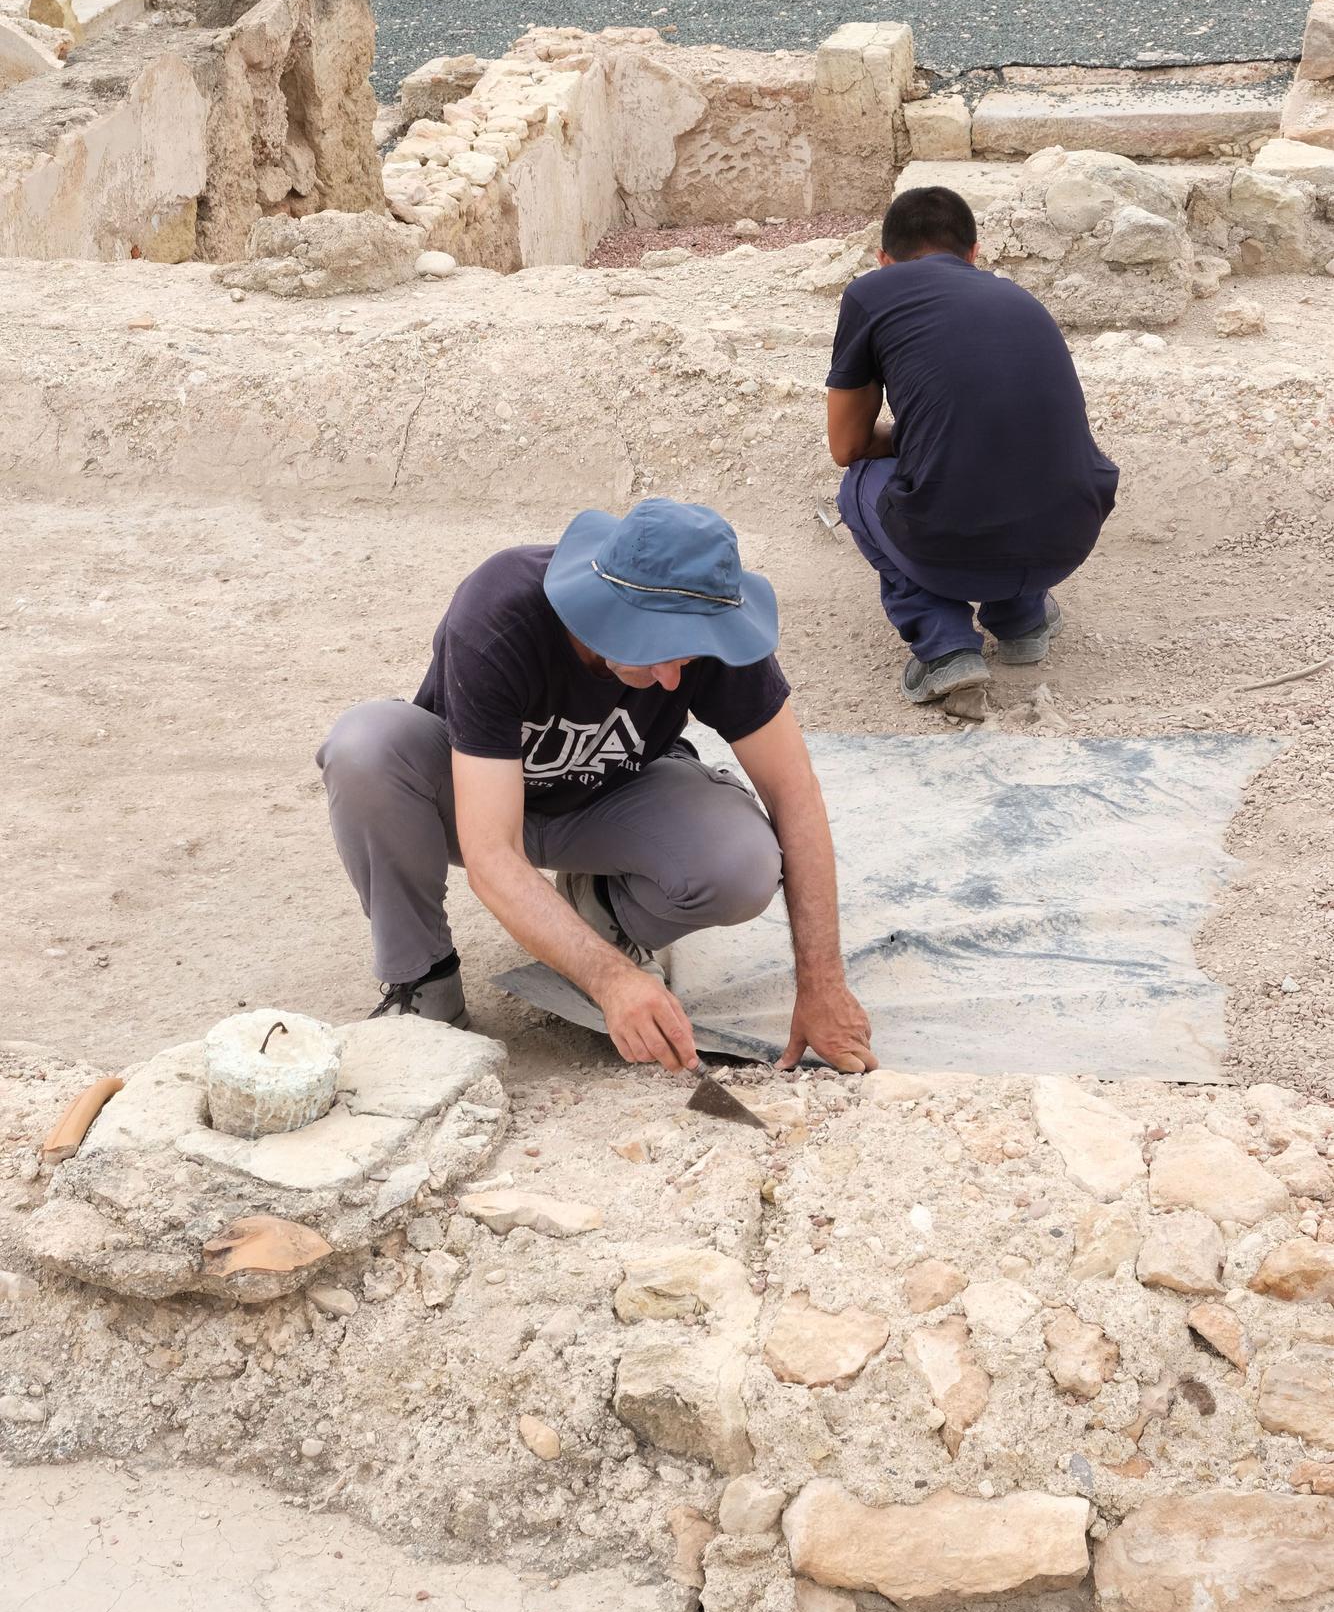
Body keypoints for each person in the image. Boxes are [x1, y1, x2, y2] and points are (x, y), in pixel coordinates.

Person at [317, 498, 876, 1077]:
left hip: (610, 798)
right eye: (657, 651)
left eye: (687, 655)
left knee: (743, 864)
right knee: (366, 747)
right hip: (468, 803)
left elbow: (795, 795)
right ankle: (423, 980)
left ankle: (603, 907)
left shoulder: (708, 622)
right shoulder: (499, 613)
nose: (672, 679)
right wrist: (613, 981)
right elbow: (491, 854)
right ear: (603, 610)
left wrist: (822, 982)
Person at [826, 184, 1119, 711]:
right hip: (1071, 534)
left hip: (954, 543)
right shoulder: (1019, 296)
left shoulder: (871, 292)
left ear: (884, 259)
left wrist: (914, 429)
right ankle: (1022, 620)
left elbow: (846, 445)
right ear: (973, 253)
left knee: (859, 487)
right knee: (1007, 454)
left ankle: (946, 647)